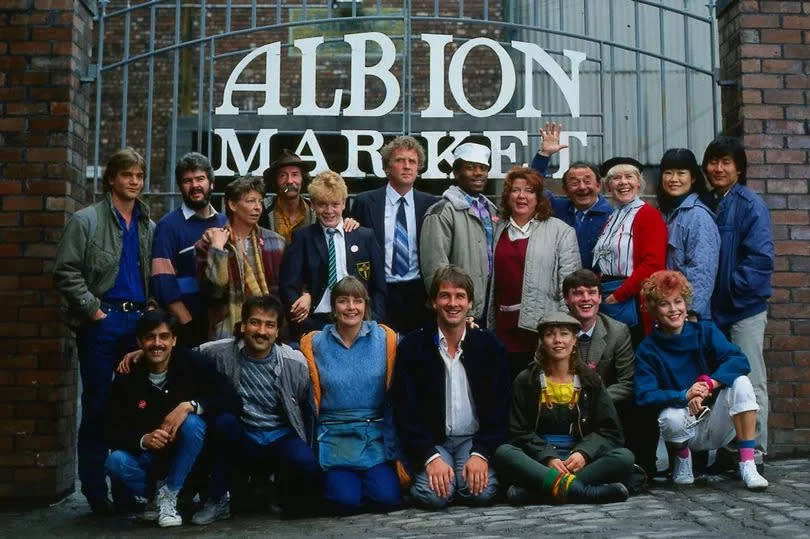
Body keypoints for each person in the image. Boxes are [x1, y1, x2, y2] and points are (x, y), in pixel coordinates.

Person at [54, 148, 155, 514]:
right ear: (111, 178)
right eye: (127, 174)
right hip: (103, 322)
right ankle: (96, 493)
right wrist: (94, 311)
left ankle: (127, 489)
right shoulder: (86, 221)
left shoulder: (147, 223)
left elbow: (151, 275)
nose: (134, 182)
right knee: (97, 407)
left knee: (135, 407)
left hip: (137, 324)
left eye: (139, 176)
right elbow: (65, 271)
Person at [192, 295, 322, 523]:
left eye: (269, 325)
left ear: (277, 330)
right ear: (242, 325)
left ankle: (277, 491)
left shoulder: (294, 362)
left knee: (306, 464)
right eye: (255, 322)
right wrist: (142, 353)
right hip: (242, 438)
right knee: (223, 422)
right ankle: (218, 498)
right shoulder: (219, 353)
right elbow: (178, 357)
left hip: (280, 438)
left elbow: (306, 410)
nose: (261, 331)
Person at [104, 309, 239, 527]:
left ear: (174, 340)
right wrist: (143, 438)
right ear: (139, 341)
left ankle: (171, 494)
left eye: (164, 337)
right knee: (115, 461)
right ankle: (157, 499)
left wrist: (191, 406)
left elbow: (230, 397)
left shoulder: (193, 363)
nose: (157, 343)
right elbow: (109, 428)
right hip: (151, 463)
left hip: (190, 464)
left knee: (193, 422)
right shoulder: (128, 376)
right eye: (150, 337)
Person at [634, 270, 769, 490]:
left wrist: (709, 383)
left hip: (719, 421)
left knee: (742, 382)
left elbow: (739, 360)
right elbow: (644, 394)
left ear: (686, 303)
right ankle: (683, 460)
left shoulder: (704, 331)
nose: (674, 309)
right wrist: (684, 395)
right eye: (664, 304)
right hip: (684, 426)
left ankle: (747, 463)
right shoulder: (648, 349)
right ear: (653, 309)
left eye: (678, 301)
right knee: (669, 418)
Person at [393, 265, 510, 509]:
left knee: (483, 494)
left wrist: (481, 454)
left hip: (473, 440)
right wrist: (430, 457)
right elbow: (406, 411)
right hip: (435, 441)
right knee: (433, 496)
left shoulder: (489, 346)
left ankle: (461, 478)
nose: (452, 303)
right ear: (433, 302)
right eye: (445, 295)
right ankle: (444, 479)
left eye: (460, 297)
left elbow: (500, 410)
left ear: (469, 304)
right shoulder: (413, 346)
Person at [493, 311, 632, 505]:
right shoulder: (526, 380)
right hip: (540, 462)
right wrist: (547, 456)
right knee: (504, 452)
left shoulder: (591, 381)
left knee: (624, 457)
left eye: (564, 334)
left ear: (574, 339)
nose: (558, 340)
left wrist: (584, 453)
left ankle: (536, 493)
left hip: (578, 460)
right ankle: (585, 492)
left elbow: (610, 431)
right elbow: (518, 431)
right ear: (542, 341)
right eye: (550, 334)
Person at [298, 277, 402, 514]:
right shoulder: (315, 342)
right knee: (346, 502)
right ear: (333, 307)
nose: (351, 307)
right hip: (334, 436)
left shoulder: (385, 338)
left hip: (374, 435)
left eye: (357, 301)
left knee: (386, 499)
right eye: (343, 301)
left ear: (366, 305)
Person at [701, 136, 774, 453]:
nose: (718, 168)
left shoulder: (749, 204)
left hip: (743, 309)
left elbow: (760, 260)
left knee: (750, 379)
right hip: (715, 311)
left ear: (739, 169)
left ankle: (755, 451)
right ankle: (728, 451)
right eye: (713, 162)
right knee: (721, 382)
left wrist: (730, 292)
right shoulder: (709, 202)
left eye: (726, 162)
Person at [486, 166, 580, 380]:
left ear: (538, 197)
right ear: (507, 196)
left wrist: (561, 329)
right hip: (502, 328)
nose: (521, 196)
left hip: (540, 330)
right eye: (515, 190)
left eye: (529, 190)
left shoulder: (561, 231)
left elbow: (569, 285)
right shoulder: (496, 229)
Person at [562, 269, 657, 476]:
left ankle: (641, 467)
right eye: (578, 293)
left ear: (599, 297)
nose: (586, 299)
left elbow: (627, 382)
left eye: (592, 292)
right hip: (563, 406)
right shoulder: (554, 329)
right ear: (567, 299)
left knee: (642, 406)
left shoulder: (617, 330)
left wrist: (594, 399)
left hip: (605, 407)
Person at [279, 170, 386, 336]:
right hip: (317, 321)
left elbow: (379, 286)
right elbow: (288, 286)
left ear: (344, 203)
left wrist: (373, 321)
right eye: (322, 204)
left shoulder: (365, 237)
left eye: (335, 204)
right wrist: (304, 323)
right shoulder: (302, 238)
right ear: (313, 205)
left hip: (358, 320)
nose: (329, 211)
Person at [351, 136, 439, 333]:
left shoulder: (431, 204)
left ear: (418, 168)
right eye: (400, 160)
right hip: (379, 291)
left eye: (412, 162)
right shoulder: (365, 202)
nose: (407, 166)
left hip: (418, 293)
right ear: (387, 168)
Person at [195, 177, 286, 340]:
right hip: (227, 331)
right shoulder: (209, 243)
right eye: (251, 201)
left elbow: (283, 292)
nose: (258, 207)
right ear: (232, 205)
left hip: (267, 333)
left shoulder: (276, 242)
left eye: (260, 201)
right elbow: (213, 293)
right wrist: (217, 248)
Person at [151, 152, 227, 346]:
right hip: (186, 327)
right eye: (187, 181)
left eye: (200, 178)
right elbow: (163, 282)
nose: (194, 186)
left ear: (211, 183)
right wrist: (187, 324)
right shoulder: (168, 226)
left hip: (223, 327)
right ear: (180, 186)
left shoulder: (225, 223)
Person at [420, 142, 497, 321]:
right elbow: (435, 270)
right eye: (470, 168)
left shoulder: (492, 211)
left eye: (483, 168)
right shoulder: (441, 211)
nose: (478, 173)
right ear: (456, 173)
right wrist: (453, 308)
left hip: (489, 310)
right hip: (458, 313)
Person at [591, 158, 667, 340]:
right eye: (616, 178)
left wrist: (618, 296)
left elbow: (652, 265)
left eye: (629, 177)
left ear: (638, 183)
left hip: (631, 299)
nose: (623, 182)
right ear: (608, 186)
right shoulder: (611, 218)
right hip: (609, 295)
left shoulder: (648, 215)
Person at [530, 122, 613, 270]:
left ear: (598, 186)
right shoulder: (556, 208)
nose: (582, 187)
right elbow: (531, 189)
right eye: (574, 183)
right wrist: (544, 155)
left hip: (596, 289)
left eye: (587, 181)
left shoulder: (612, 216)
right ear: (565, 190)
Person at [656, 148, 719, 321]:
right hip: (665, 312)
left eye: (681, 173)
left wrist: (690, 312)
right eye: (668, 173)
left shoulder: (698, 216)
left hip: (687, 316)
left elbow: (702, 271)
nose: (674, 179)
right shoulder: (663, 213)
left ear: (693, 177)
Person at [259, 149, 316, 242]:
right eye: (283, 175)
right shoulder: (262, 210)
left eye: (295, 174)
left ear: (303, 178)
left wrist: (348, 222)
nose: (289, 181)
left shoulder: (315, 210)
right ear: (275, 181)